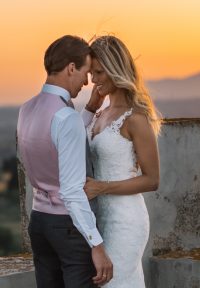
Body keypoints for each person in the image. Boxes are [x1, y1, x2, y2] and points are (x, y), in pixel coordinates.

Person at [17, 35, 113, 288]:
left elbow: (57, 142)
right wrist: (97, 244)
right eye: (85, 72)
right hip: (68, 228)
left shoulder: (26, 109)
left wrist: (90, 110)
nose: (87, 81)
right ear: (71, 68)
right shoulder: (65, 116)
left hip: (39, 223)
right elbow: (71, 190)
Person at [82, 35, 161, 287]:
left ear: (115, 69)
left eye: (99, 72)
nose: (93, 80)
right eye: (92, 72)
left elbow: (152, 180)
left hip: (126, 221)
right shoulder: (99, 114)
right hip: (98, 220)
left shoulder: (136, 119)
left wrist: (102, 187)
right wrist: (90, 108)